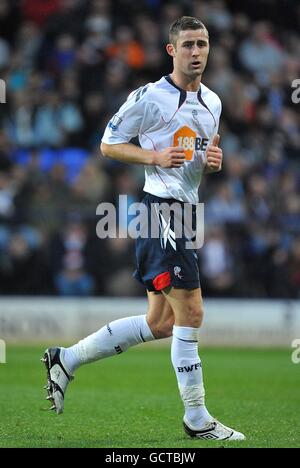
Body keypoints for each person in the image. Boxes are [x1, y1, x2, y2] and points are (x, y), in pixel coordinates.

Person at [42, 16, 245, 441]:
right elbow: (107, 144)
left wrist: (210, 162)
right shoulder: (150, 97)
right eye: (188, 44)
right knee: (191, 312)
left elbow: (196, 157)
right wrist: (153, 158)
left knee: (161, 322)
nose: (196, 51)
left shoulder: (213, 102)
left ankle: (67, 359)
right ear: (171, 50)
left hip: (186, 212)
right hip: (160, 211)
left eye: (202, 43)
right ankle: (197, 419)